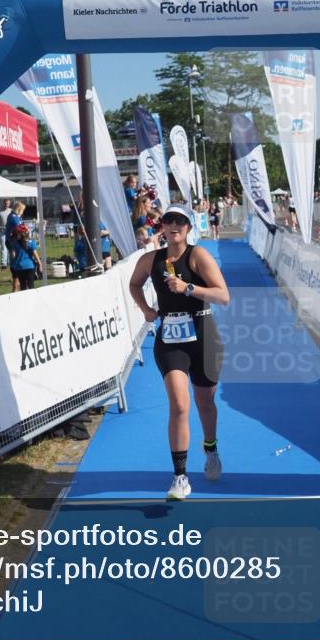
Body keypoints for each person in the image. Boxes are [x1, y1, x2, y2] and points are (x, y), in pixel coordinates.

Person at [128, 203, 231, 500]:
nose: (174, 225)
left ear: (188, 227)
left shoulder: (198, 256)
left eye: (180, 221)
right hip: (170, 339)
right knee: (180, 405)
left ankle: (210, 449)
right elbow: (134, 283)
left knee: (205, 404)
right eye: (168, 220)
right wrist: (147, 310)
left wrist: (188, 288)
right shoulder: (151, 259)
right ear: (161, 225)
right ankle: (180, 476)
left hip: (204, 336)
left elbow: (223, 295)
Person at [8, 223, 42, 291]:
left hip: (20, 267)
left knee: (23, 287)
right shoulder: (31, 242)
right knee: (31, 285)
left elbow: (13, 256)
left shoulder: (15, 243)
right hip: (30, 266)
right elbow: (35, 255)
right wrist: (40, 264)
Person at [0, 199, 13, 269]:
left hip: (10, 231)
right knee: (3, 246)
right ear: (4, 203)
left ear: (9, 204)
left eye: (8, 203)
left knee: (10, 247)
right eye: (6, 203)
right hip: (2, 232)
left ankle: (10, 261)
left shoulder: (12, 211)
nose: (7, 204)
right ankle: (4, 263)